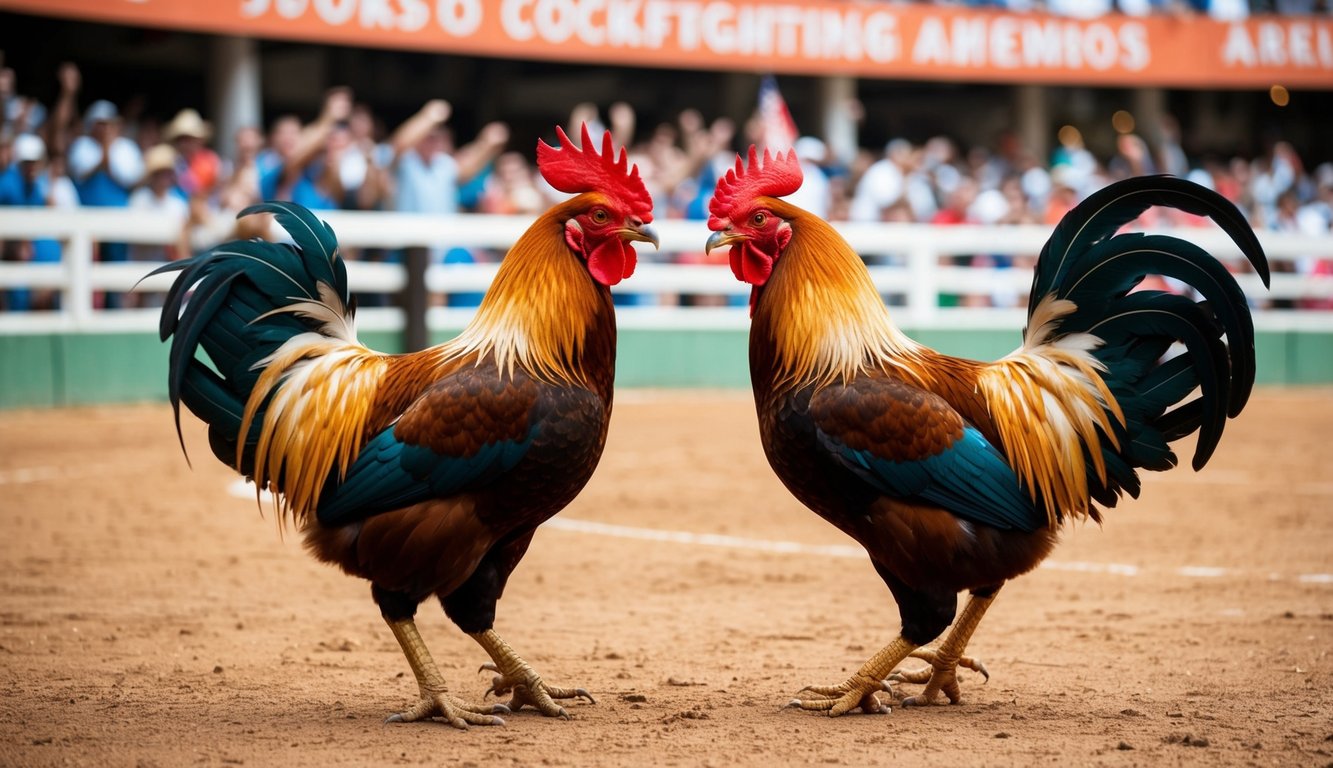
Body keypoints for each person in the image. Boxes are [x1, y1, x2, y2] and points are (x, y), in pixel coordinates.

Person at [67, 99, 143, 307]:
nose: (104, 128)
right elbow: (81, 173)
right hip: (84, 222)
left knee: (114, 272)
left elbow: (129, 178)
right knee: (84, 268)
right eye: (100, 123)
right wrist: (104, 153)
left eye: (108, 123)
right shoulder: (81, 146)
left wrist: (107, 151)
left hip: (117, 223)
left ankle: (113, 309)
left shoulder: (126, 147)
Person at [0, 134, 78, 311]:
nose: (31, 167)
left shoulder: (35, 186)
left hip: (27, 257)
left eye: (35, 162)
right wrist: (14, 247)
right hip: (13, 257)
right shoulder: (7, 184)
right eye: (27, 162)